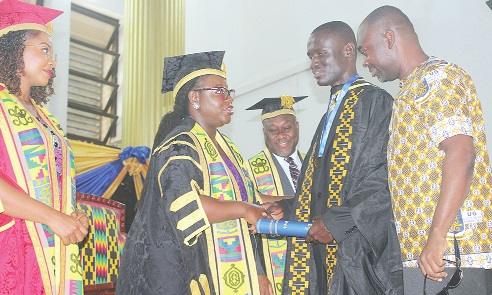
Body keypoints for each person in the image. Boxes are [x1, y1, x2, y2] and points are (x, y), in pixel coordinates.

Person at [358, 5, 492, 295]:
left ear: (389, 37)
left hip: (452, 254)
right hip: (430, 257)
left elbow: (461, 152)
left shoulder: (435, 80)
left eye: (366, 50)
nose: (366, 62)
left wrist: (437, 235)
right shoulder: (412, 88)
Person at [116, 51, 280, 295]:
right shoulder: (179, 145)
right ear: (194, 97)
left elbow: (249, 199)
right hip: (189, 272)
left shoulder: (228, 148)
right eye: (219, 91)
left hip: (235, 270)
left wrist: (277, 207)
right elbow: (186, 205)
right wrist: (246, 209)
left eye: (229, 91)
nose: (229, 99)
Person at [280, 21, 403, 295]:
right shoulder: (331, 113)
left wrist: (336, 222)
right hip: (325, 247)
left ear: (348, 50)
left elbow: (385, 177)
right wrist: (285, 209)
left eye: (320, 53)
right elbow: (321, 184)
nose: (313, 62)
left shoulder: (374, 102)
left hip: (357, 251)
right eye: (311, 56)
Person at [0, 0, 89, 294]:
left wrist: (73, 215)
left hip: (54, 249)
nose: (52, 61)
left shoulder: (46, 118)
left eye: (53, 53)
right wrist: (54, 218)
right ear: (12, 50)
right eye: (44, 50)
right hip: (12, 247)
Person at [245, 95, 306, 294]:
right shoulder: (248, 170)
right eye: (273, 130)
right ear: (264, 133)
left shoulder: (315, 164)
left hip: (315, 262)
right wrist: (258, 273)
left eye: (287, 128)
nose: (281, 135)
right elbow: (245, 227)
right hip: (276, 270)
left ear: (297, 127)